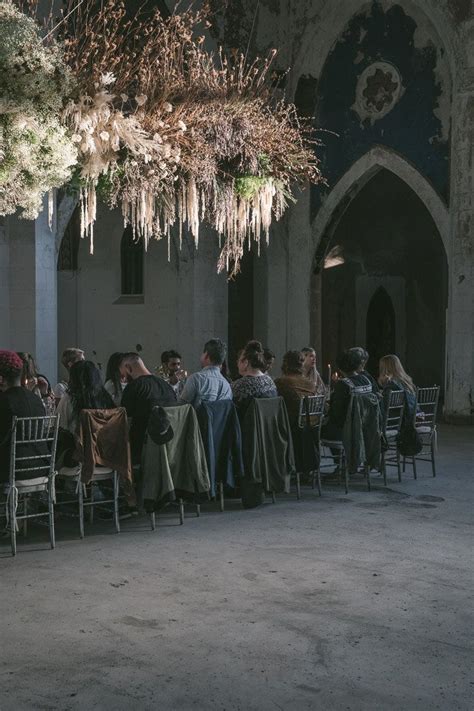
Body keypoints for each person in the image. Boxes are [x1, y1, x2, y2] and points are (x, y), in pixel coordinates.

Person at [0, 350, 48, 483]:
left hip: (12, 471)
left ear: (1, 379)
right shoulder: (36, 400)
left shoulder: (4, 402)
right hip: (41, 466)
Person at [120, 352, 177, 464]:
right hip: (170, 447)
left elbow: (124, 420)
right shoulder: (167, 386)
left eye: (123, 374)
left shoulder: (134, 387)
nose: (124, 378)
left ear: (128, 368)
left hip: (141, 451)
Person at [321, 348, 379, 442]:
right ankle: (341, 456)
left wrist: (326, 407)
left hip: (345, 431)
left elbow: (337, 415)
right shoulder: (366, 380)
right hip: (365, 430)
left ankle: (337, 456)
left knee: (311, 430)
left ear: (340, 367)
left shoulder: (343, 384)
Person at [57, 360, 114, 436]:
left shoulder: (69, 399)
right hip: (105, 444)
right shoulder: (105, 397)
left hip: (76, 444)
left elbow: (59, 425)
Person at [180, 339, 232, 410]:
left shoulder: (196, 379)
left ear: (206, 355)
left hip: (197, 420)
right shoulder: (227, 386)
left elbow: (180, 408)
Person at [232, 340, 277, 417]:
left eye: (240, 360)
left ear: (246, 362)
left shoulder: (240, 385)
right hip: (268, 427)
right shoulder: (270, 382)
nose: (237, 364)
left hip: (248, 427)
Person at [274, 350, 317, 427]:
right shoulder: (311, 383)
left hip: (290, 424)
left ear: (285, 364)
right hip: (311, 422)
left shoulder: (281, 382)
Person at [378, 354, 417, 422]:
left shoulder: (391, 384)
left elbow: (385, 406)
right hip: (412, 417)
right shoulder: (406, 381)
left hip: (397, 421)